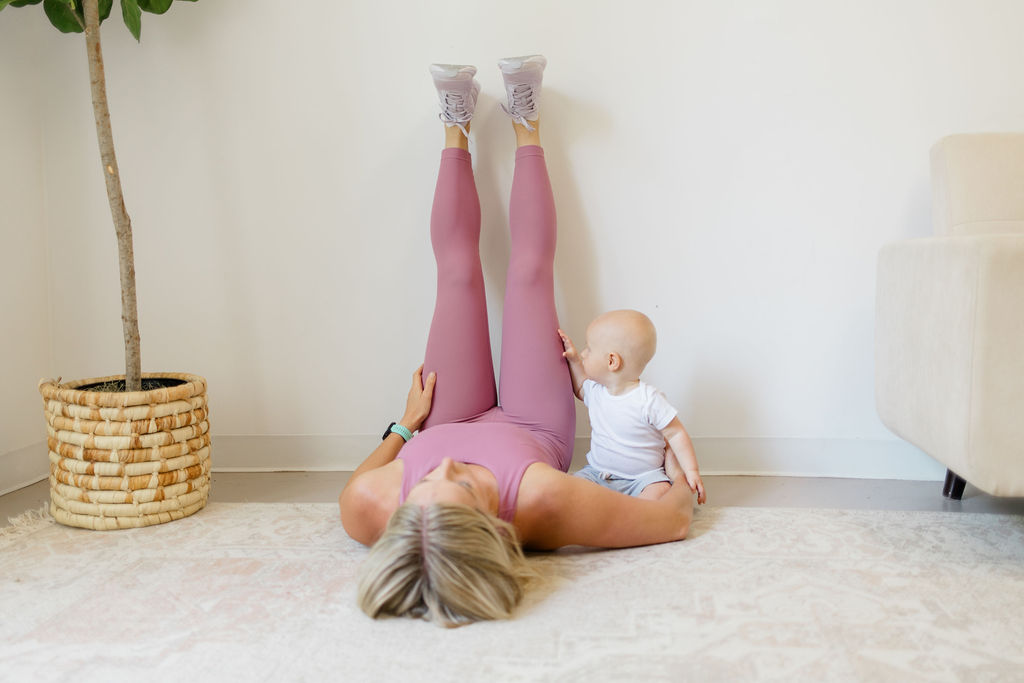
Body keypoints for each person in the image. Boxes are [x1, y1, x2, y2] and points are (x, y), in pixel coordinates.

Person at [338, 55, 694, 628]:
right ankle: (526, 121)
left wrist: (405, 427)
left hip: (444, 413)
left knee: (456, 274)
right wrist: (682, 470)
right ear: (497, 528)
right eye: (462, 485)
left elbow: (361, 482)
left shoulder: (368, 509)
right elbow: (672, 522)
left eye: (425, 481)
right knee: (530, 273)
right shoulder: (544, 505)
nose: (447, 464)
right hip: (533, 425)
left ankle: (455, 122)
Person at [558, 312, 707, 503]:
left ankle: (633, 512)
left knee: (660, 490)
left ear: (612, 361)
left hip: (643, 479)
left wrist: (691, 471)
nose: (583, 353)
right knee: (569, 487)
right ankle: (613, 511)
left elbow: (676, 434)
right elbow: (579, 386)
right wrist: (574, 361)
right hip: (598, 474)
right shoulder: (596, 391)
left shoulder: (648, 399)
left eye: (588, 349)